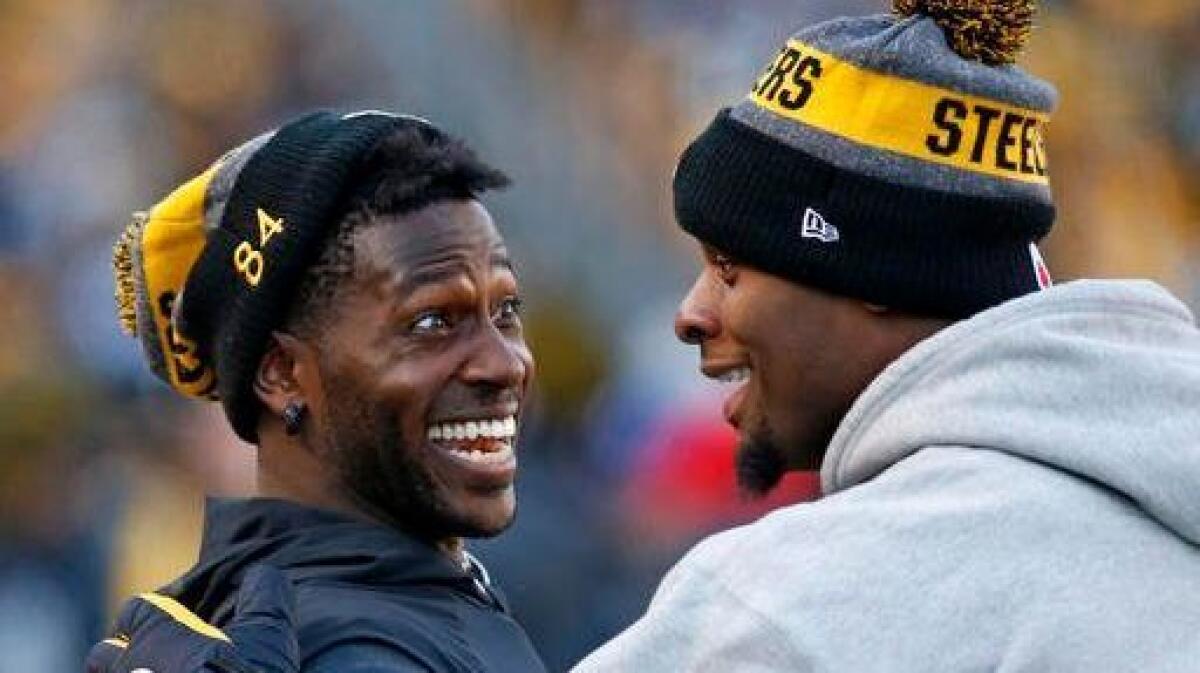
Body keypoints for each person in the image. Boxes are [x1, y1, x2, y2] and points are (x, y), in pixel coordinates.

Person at [92, 0, 1200, 670]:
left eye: (730, 264)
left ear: (872, 275)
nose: (692, 312)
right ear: (281, 372)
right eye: (435, 320)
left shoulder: (792, 606)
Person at [88, 110, 546, 672]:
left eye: (506, 311)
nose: (506, 364)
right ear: (281, 373)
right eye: (432, 322)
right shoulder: (348, 646)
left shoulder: (399, 599)